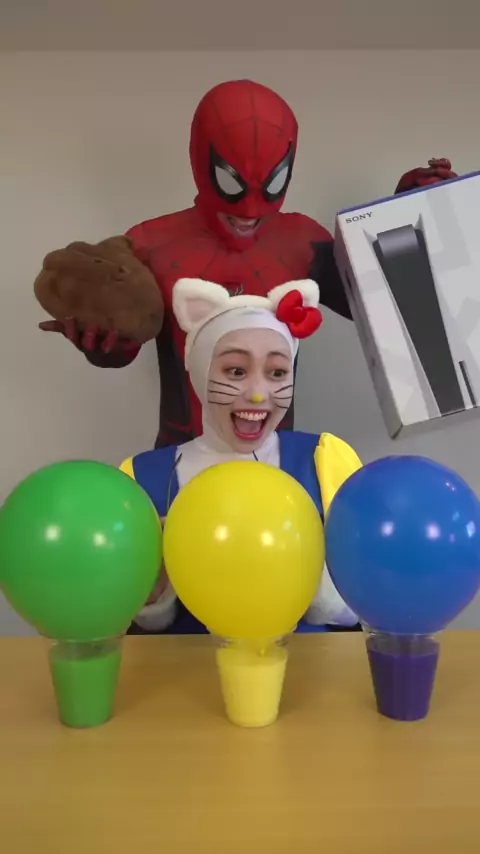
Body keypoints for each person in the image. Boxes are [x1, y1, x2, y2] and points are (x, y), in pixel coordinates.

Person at [34, 72, 458, 448]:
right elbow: (127, 336)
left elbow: (377, 306)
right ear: (201, 158)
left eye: (272, 184)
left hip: (273, 458)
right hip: (178, 455)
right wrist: (106, 345)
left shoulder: (302, 241)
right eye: (231, 183)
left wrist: (409, 221)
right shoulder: (151, 244)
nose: (250, 210)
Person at [120, 276, 363, 635]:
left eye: (277, 372)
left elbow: (362, 607)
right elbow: (133, 628)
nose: (257, 394)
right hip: (188, 669)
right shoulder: (142, 477)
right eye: (236, 371)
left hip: (308, 668)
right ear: (201, 371)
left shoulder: (323, 460)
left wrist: (322, 589)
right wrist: (155, 593)